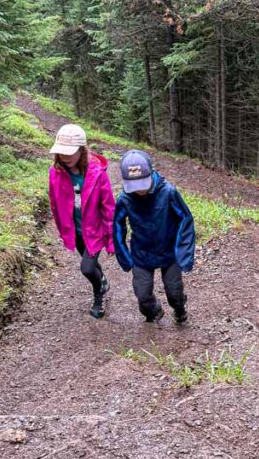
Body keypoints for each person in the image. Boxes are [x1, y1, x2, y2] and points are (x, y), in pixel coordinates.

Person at [113, 150, 195, 324]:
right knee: (142, 295)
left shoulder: (168, 192)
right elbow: (117, 228)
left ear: (151, 173)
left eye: (142, 183)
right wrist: (125, 258)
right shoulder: (125, 199)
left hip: (168, 252)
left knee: (175, 292)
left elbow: (185, 219)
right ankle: (154, 312)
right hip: (141, 254)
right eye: (134, 186)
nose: (139, 190)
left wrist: (184, 253)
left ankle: (179, 310)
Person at [48, 123, 115, 318]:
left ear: (81, 150)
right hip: (75, 230)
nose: (65, 157)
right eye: (62, 153)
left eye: (69, 153)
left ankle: (99, 294)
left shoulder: (97, 174)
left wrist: (111, 240)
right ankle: (101, 281)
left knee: (86, 268)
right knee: (91, 266)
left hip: (95, 231)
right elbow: (54, 203)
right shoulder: (56, 173)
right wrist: (63, 229)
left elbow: (108, 207)